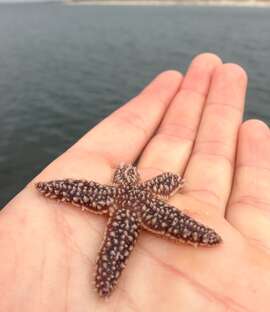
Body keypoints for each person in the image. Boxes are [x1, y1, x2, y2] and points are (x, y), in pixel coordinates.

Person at [0, 53, 269, 311]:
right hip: (139, 199)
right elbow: (162, 182)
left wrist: (205, 232)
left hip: (135, 198)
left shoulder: (127, 193)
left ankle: (104, 287)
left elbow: (158, 183)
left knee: (178, 233)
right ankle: (104, 288)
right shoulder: (140, 194)